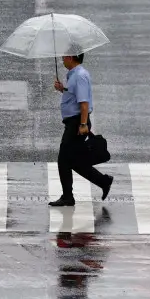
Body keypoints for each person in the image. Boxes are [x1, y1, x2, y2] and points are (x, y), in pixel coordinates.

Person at [49, 53, 113, 207]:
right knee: (72, 161)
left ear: (71, 57)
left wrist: (83, 124)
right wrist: (62, 89)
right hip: (75, 122)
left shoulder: (79, 76)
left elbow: (84, 103)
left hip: (77, 123)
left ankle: (68, 197)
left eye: (64, 57)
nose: (62, 60)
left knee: (63, 159)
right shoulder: (74, 75)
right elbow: (75, 95)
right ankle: (103, 181)